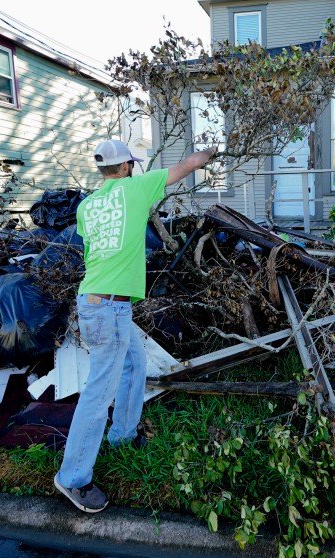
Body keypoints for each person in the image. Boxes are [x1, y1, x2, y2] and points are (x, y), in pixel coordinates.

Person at [54, 139, 216, 513]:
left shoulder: (87, 205)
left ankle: (123, 436)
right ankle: (73, 477)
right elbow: (188, 165)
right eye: (133, 164)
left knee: (134, 365)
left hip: (103, 303)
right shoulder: (136, 188)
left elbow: (95, 248)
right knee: (98, 395)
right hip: (107, 309)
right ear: (126, 167)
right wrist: (209, 154)